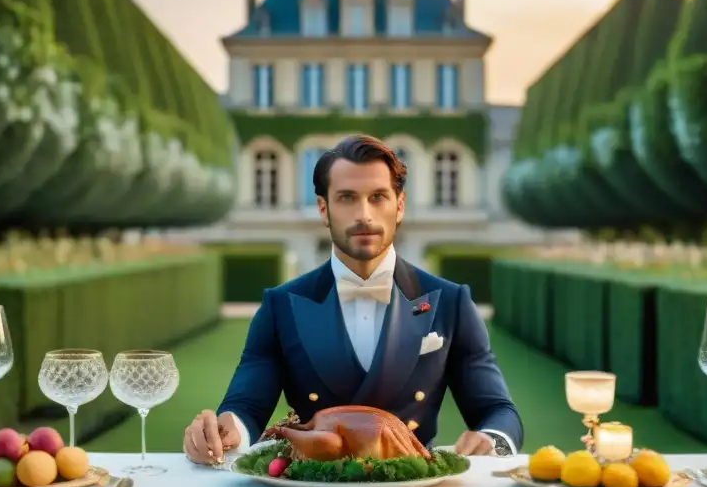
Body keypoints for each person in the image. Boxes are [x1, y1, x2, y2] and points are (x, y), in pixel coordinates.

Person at [184, 134, 523, 465]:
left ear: (399, 206)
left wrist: (492, 439)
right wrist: (228, 431)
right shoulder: (280, 305)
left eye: (378, 197)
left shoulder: (452, 302)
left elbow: (497, 409)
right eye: (347, 197)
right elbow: (246, 406)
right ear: (323, 208)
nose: (365, 215)